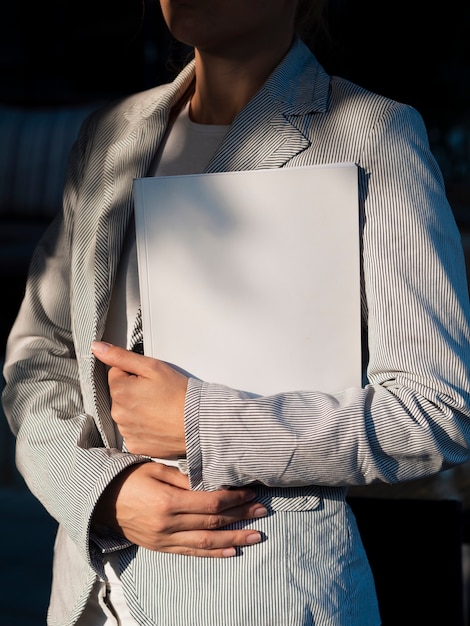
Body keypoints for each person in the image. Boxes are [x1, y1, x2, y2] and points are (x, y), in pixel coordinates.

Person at [3, 0, 470, 624]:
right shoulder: (108, 135)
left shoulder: (374, 136)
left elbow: (436, 409)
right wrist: (99, 492)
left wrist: (202, 423)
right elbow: (37, 364)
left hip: (265, 598)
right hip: (89, 599)